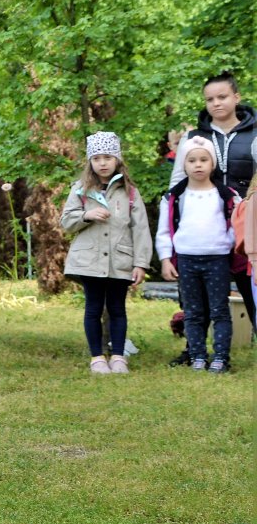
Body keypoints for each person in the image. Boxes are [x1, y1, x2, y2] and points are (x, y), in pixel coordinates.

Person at [167, 71, 254, 356]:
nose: (216, 103)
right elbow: (177, 184)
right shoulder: (194, 137)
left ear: (236, 97)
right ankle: (194, 350)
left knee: (251, 286)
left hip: (246, 225)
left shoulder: (254, 135)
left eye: (222, 97)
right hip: (204, 229)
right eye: (210, 99)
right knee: (200, 297)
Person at [60, 132, 151, 375]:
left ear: (117, 159)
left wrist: (140, 263)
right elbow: (66, 221)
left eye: (108, 157)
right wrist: (86, 215)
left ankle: (119, 357)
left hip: (120, 260)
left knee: (117, 308)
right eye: (97, 158)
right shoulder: (80, 189)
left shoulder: (130, 192)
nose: (102, 163)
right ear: (90, 161)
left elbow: (140, 229)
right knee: (93, 308)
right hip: (89, 260)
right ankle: (97, 357)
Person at [159, 137, 239, 373]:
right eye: (192, 160)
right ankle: (197, 356)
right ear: (183, 164)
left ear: (212, 164)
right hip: (186, 260)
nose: (198, 165)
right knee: (193, 312)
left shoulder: (226, 195)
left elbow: (236, 225)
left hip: (217, 260)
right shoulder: (174, 197)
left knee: (219, 310)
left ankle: (221, 357)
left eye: (204, 160)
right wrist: (165, 259)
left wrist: (226, 243)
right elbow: (164, 231)